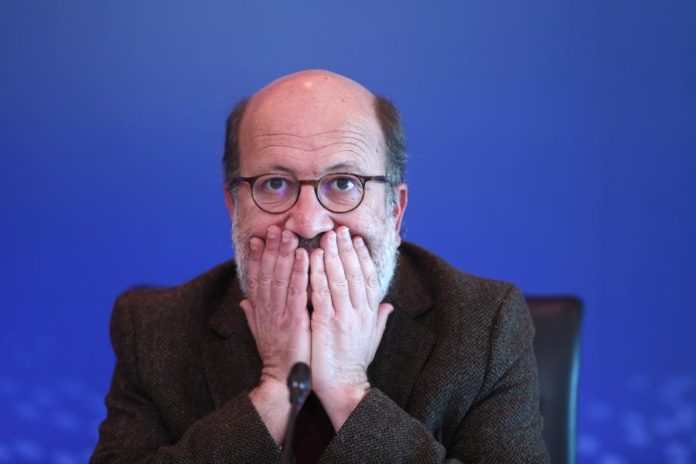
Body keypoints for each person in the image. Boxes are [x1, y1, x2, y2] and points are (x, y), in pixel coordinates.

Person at [92, 70, 549, 463]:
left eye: (344, 183)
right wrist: (274, 391)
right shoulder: (153, 328)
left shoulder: (483, 325)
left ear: (394, 210)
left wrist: (349, 391)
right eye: (275, 184)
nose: (308, 221)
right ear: (234, 206)